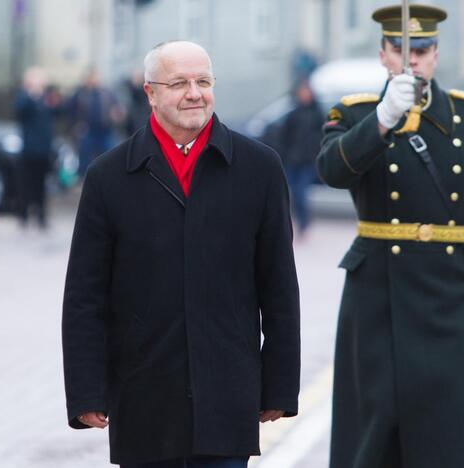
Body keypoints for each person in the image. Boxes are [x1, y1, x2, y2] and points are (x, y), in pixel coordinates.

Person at [62, 40, 301, 468]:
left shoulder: (259, 168)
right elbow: (85, 296)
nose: (195, 92)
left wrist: (279, 386)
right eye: (179, 83)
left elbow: (279, 287)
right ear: (150, 93)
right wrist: (86, 391)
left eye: (203, 81)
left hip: (228, 396)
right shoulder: (108, 177)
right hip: (143, 397)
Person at [316, 5, 464, 468]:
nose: (413, 61)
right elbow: (332, 171)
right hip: (378, 292)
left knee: (450, 433)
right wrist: (382, 120)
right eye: (401, 50)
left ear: (436, 55)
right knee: (371, 429)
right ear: (384, 55)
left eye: (422, 51)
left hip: (449, 293)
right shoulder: (356, 114)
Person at [13, 67, 59, 229]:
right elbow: (19, 111)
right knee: (25, 184)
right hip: (28, 149)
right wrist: (31, 93)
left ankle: (41, 217)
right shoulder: (24, 97)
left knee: (42, 185)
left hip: (44, 149)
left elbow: (58, 111)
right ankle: (23, 215)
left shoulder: (47, 98)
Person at [277, 79, 324, 236]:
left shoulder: (317, 114)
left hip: (308, 161)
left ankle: (304, 222)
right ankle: (296, 221)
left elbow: (323, 136)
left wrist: (315, 152)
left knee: (301, 191)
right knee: (292, 193)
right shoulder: (293, 114)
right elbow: (283, 136)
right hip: (292, 160)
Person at [66, 68, 123, 175]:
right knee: (85, 158)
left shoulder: (106, 92)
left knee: (109, 156)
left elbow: (116, 107)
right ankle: (84, 181)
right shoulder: (79, 94)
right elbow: (70, 112)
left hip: (105, 130)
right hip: (87, 131)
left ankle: (107, 179)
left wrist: (116, 114)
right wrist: (76, 126)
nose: (94, 79)